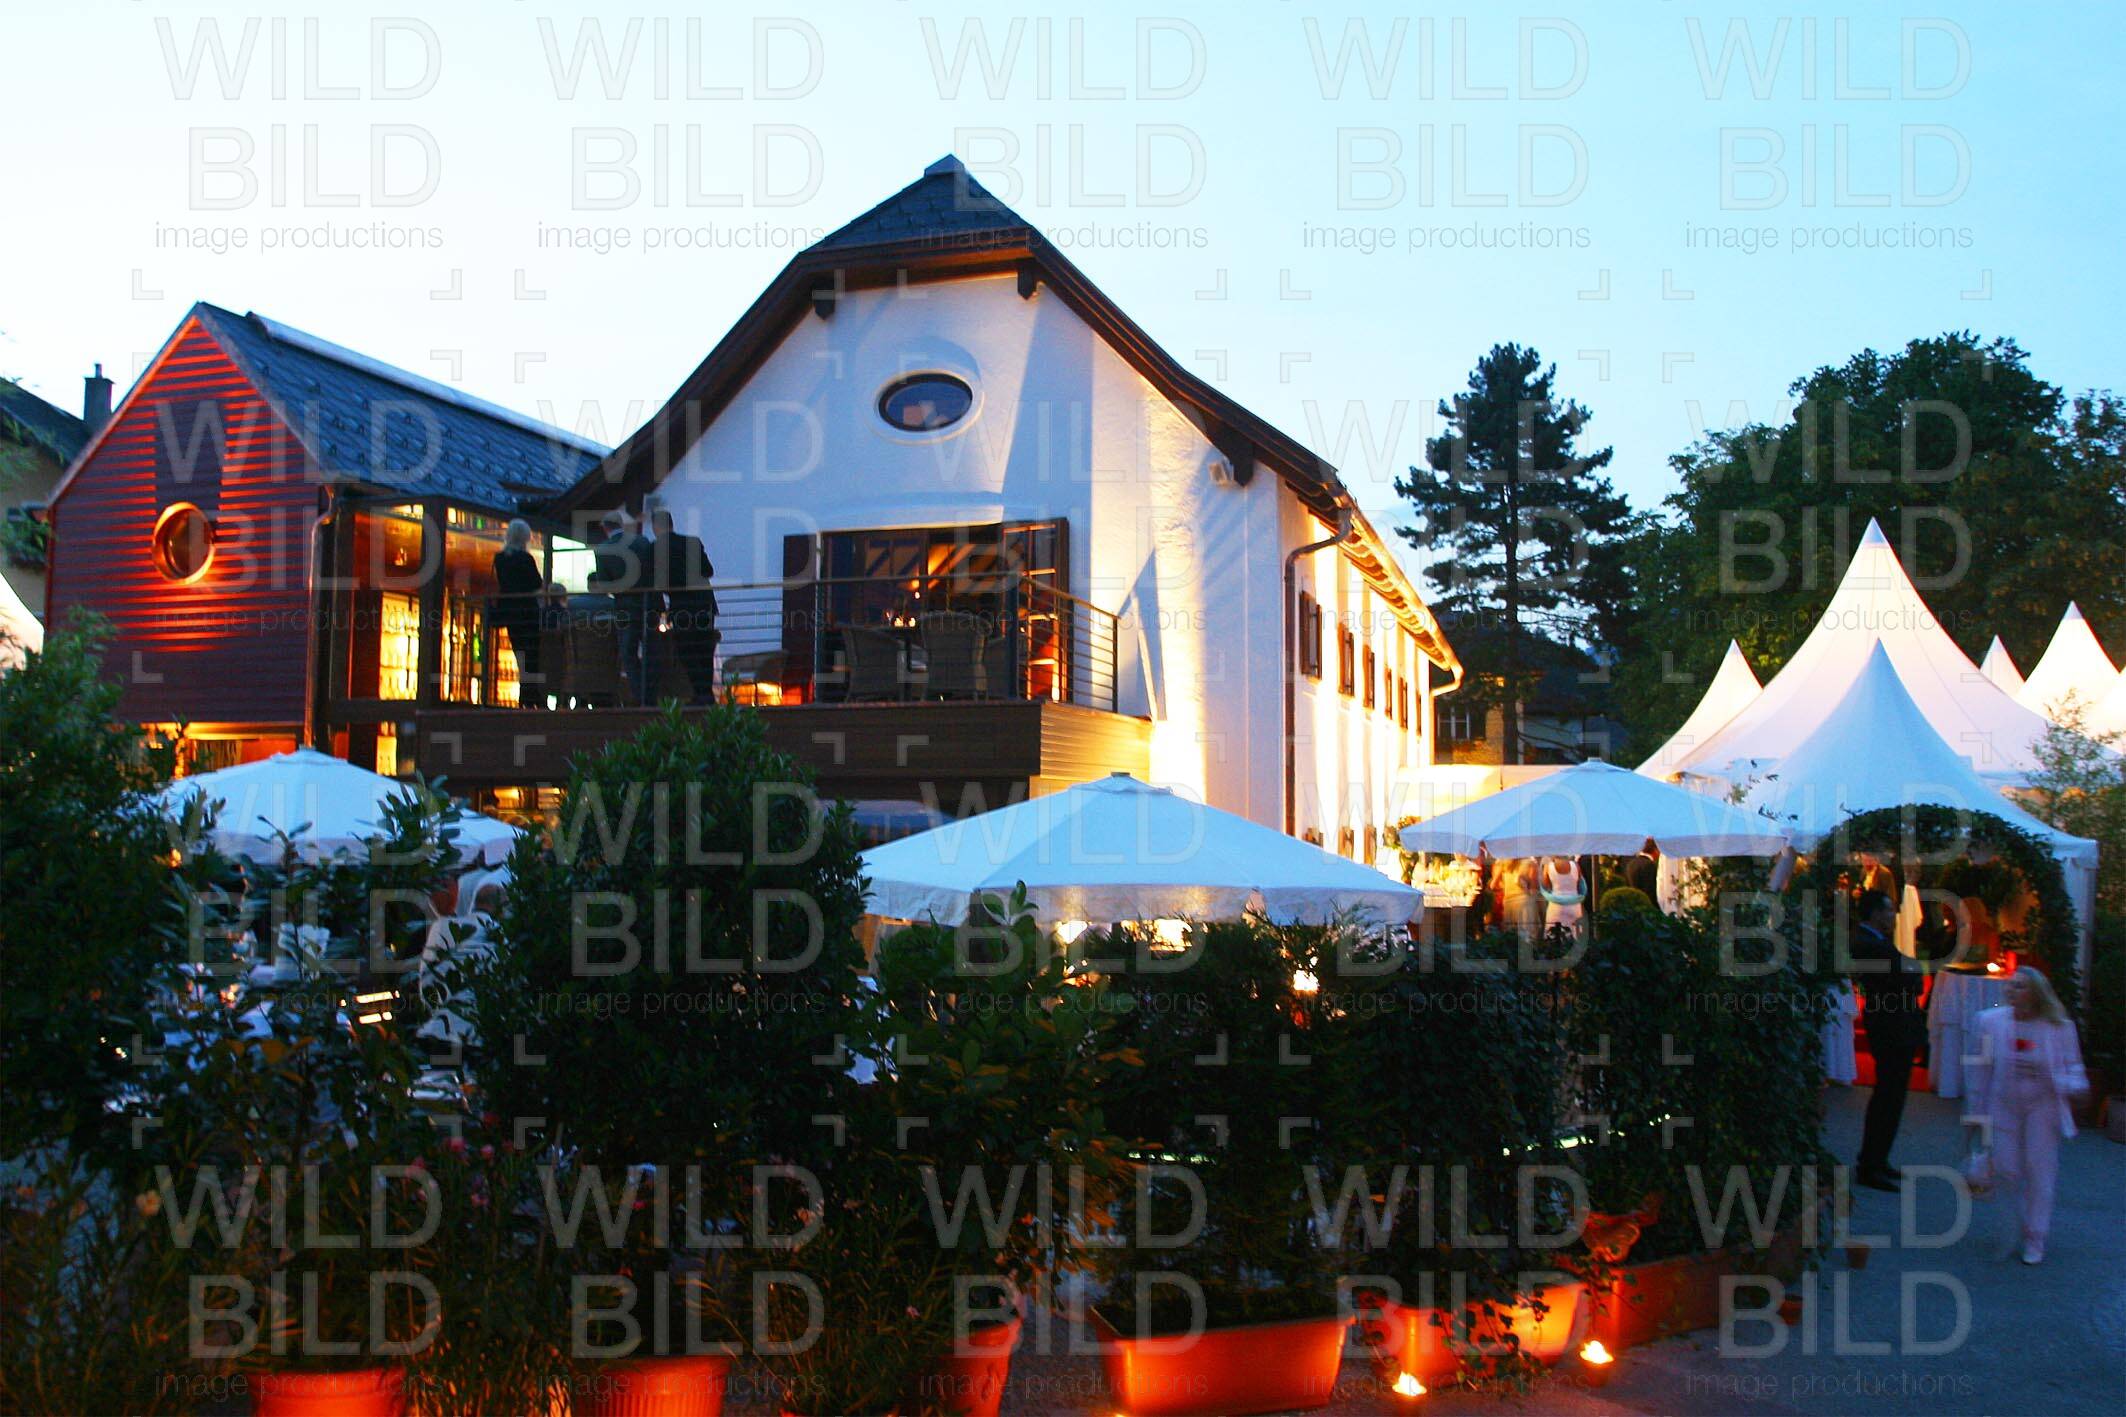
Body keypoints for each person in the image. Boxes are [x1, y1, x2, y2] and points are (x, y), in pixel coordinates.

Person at [1963, 967, 2089, 1264]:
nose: (2012, 990)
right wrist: (1976, 1113)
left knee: (2039, 1172)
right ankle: (2017, 1226)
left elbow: (2075, 1071)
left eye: (2020, 986)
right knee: (2007, 1170)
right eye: (2011, 984)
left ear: (2036, 993)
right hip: (2003, 1104)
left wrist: (2056, 1079)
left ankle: (2035, 1236)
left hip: (2042, 1107)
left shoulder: (2059, 1027)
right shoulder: (1989, 1021)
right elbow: (1979, 1071)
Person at [1847, 886, 1952, 1190]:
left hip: (1894, 1023)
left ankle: (1877, 1159)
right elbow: (1906, 976)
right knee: (1888, 1096)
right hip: (1891, 1026)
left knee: (1891, 1097)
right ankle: (1871, 1164)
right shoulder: (1869, 943)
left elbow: (1908, 973)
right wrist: (1911, 976)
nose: (1893, 916)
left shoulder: (1875, 941)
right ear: (1875, 913)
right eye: (1889, 910)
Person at [650, 506, 719, 704]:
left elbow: (657, 581)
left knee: (687, 650)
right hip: (705, 603)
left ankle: (701, 693)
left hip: (682, 606)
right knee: (705, 649)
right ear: (672, 523)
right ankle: (706, 694)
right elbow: (708, 570)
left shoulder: (655, 548)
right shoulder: (692, 542)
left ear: (655, 527)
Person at [588, 510, 655, 704]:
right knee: (652, 652)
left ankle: (639, 696)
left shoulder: (603, 550)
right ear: (621, 525)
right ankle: (652, 696)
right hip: (649, 603)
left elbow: (604, 584)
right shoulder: (642, 542)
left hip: (625, 607)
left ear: (605, 528)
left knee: (628, 653)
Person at [490, 518, 549, 708]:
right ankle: (530, 695)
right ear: (525, 537)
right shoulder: (526, 559)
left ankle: (526, 696)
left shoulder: (500, 558)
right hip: (528, 613)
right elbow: (536, 584)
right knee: (532, 655)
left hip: (510, 613)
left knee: (520, 654)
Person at [1541, 855, 1586, 939]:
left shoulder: (1548, 866)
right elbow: (1580, 884)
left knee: (1553, 936)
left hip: (1556, 906)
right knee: (1575, 935)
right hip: (1574, 905)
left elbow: (1545, 885)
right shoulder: (1575, 865)